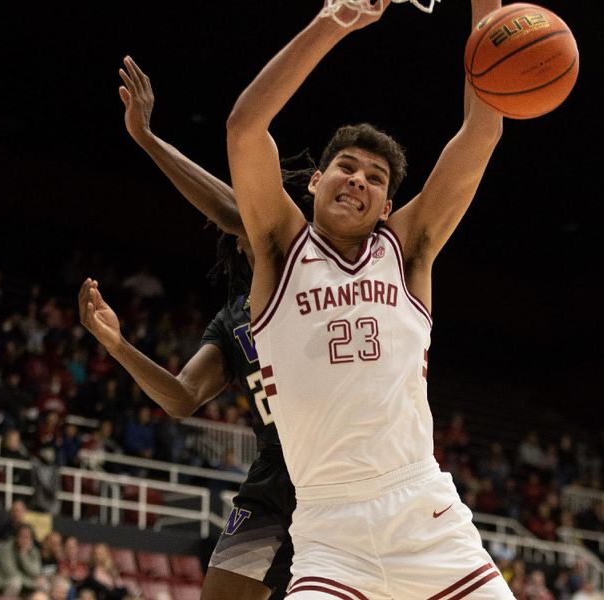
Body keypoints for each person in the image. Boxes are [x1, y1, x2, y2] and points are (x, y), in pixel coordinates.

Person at [225, 0, 509, 597]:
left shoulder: (408, 248)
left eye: (374, 178)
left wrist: (488, 11)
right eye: (344, 167)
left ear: (385, 207)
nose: (357, 178)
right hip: (330, 531)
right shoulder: (279, 248)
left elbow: (482, 129)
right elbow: (245, 128)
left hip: (426, 518)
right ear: (314, 181)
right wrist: (334, 22)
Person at [78, 55, 312, 600]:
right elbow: (182, 398)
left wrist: (149, 141)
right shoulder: (233, 319)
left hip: (340, 476)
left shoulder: (310, 272)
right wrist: (118, 347)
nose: (243, 218)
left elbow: (233, 206)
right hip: (274, 484)